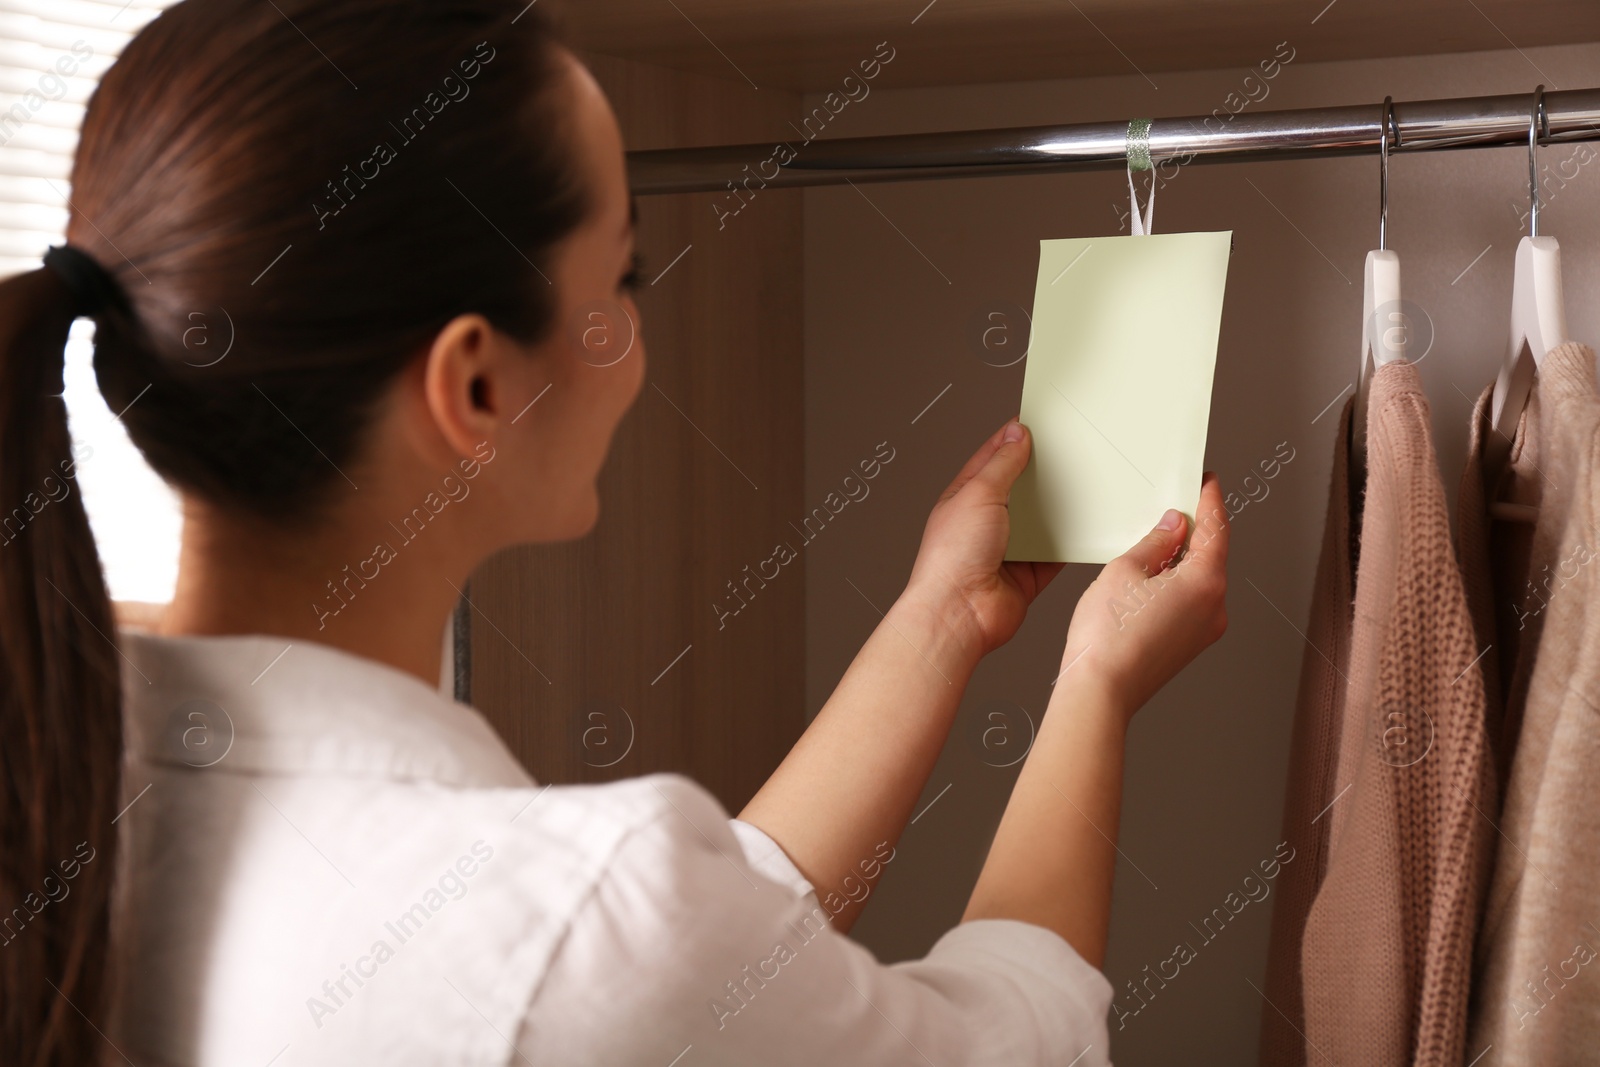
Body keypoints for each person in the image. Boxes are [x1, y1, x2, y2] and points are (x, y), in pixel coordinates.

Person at [0, 1, 1230, 1063]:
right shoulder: (576, 932)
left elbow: (684, 973)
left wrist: (941, 622)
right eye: (622, 280)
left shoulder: (58, 763)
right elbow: (998, 1040)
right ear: (475, 385)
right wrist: (1095, 682)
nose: (634, 340)